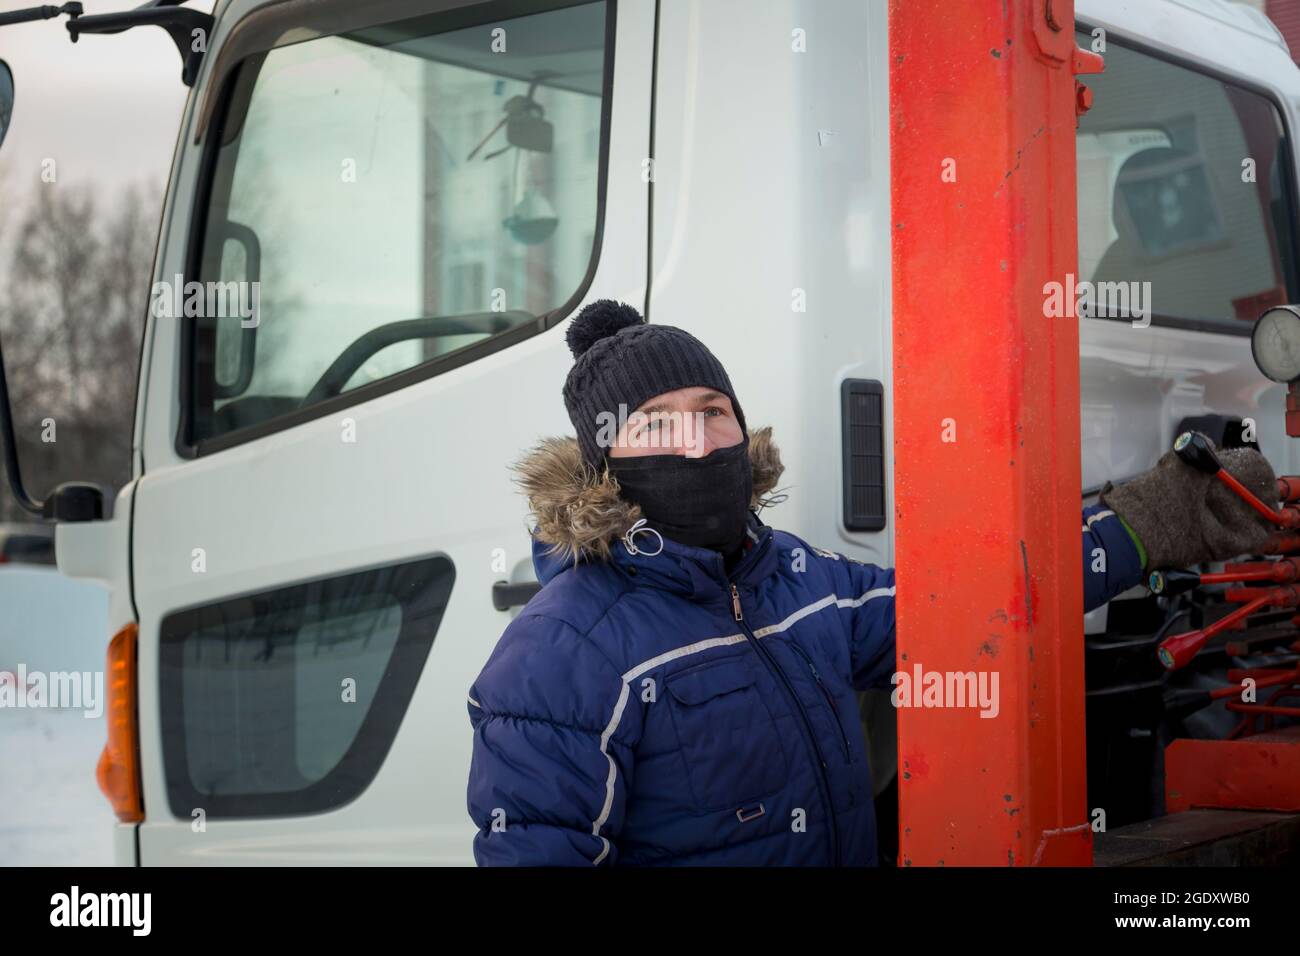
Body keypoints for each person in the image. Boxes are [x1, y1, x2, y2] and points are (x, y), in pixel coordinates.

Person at [465, 299, 1276, 866]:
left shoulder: (797, 578)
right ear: (609, 463)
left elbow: (964, 610)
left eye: (713, 409)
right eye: (658, 423)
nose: (698, 438)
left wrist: (1149, 521)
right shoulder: (558, 653)